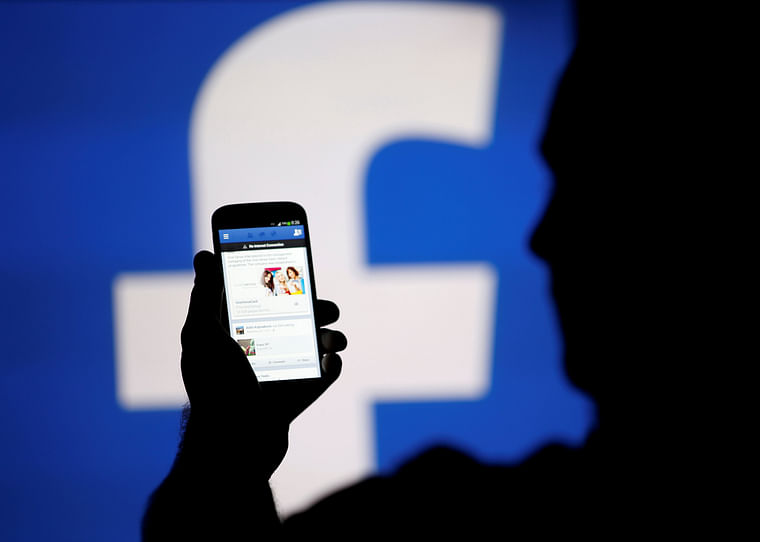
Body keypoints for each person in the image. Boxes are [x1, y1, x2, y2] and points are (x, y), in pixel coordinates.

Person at [143, 4, 687, 538]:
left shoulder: (439, 519)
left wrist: (222, 451)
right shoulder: (452, 507)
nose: (541, 238)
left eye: (589, 189)